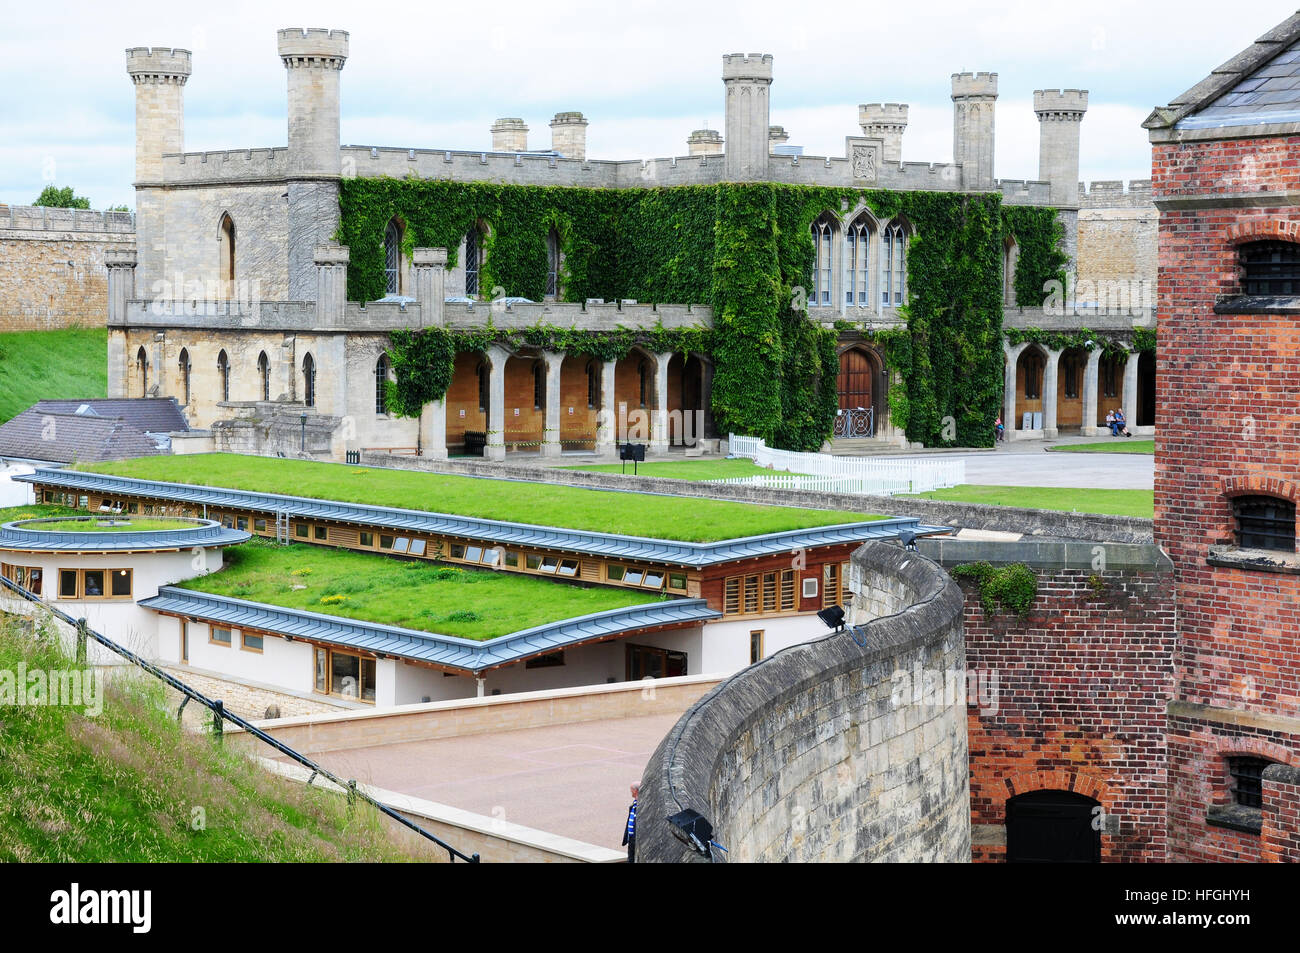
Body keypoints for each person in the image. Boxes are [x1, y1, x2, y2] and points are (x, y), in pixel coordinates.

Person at [622, 782, 638, 863]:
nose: (630, 791)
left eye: (631, 789)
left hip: (636, 840)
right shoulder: (634, 804)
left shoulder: (640, 804)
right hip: (631, 839)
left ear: (635, 791)